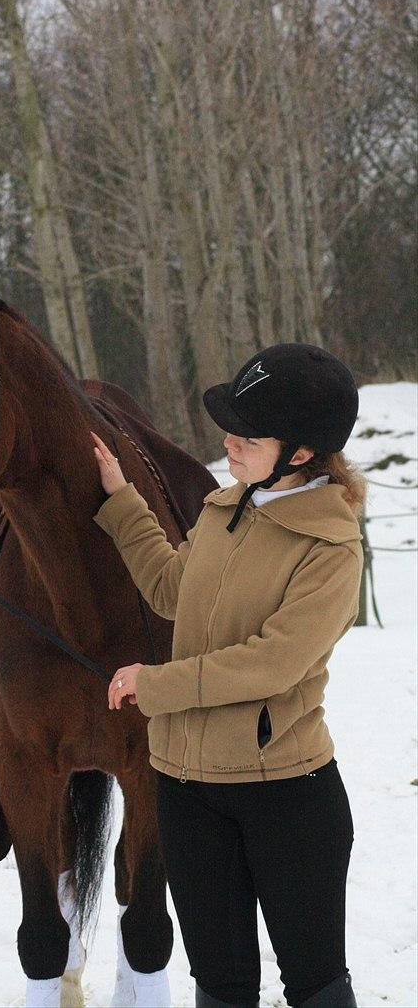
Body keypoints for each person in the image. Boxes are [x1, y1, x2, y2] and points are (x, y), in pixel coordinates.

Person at [90, 344, 365, 1008]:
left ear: (301, 453)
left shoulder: (331, 548)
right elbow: (166, 587)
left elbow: (272, 663)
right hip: (188, 791)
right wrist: (122, 500)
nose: (228, 443)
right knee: (220, 985)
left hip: (288, 798)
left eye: (248, 435)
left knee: (316, 984)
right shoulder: (225, 509)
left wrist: (155, 685)